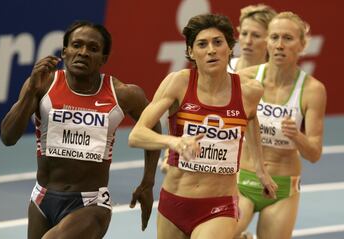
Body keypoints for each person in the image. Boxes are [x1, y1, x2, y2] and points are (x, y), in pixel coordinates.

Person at [0, 20, 161, 239]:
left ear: (103, 59)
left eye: (93, 49)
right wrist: (30, 93)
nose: (83, 52)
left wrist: (148, 182)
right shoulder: (43, 85)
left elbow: (153, 125)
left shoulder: (123, 94)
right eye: (77, 45)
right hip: (42, 198)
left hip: (91, 203)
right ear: (65, 52)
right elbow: (8, 137)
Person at [128, 13, 277, 239]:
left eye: (218, 42)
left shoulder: (250, 91)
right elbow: (136, 135)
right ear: (191, 52)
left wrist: (260, 168)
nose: (211, 50)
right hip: (174, 203)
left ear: (229, 48)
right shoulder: (178, 82)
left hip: (219, 205)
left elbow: (251, 118)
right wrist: (174, 141)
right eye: (202, 44)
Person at [234, 12, 327, 239]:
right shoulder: (244, 78)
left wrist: (297, 136)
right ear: (267, 41)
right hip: (242, 181)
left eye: (288, 38)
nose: (279, 45)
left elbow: (314, 153)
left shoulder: (313, 90)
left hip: (283, 188)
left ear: (302, 45)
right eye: (274, 37)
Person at [228, 4, 276, 72]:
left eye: (256, 35)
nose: (248, 41)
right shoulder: (223, 68)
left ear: (270, 40)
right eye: (244, 34)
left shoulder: (274, 77)